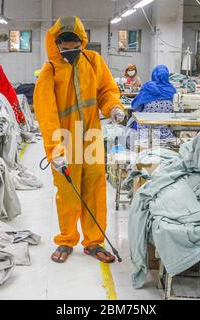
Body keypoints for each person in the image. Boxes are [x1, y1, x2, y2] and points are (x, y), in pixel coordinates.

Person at [34, 16, 125, 264]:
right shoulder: (49, 71)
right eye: (64, 46)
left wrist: (113, 107)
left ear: (82, 42)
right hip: (65, 139)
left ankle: (93, 241)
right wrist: (55, 150)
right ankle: (66, 239)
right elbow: (46, 114)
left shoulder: (93, 61)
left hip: (92, 137)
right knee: (68, 193)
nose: (69, 50)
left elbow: (106, 90)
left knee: (95, 190)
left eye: (74, 44)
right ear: (55, 44)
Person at [131, 65, 176, 140]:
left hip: (144, 133)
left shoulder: (148, 87)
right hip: (164, 134)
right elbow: (177, 111)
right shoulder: (172, 90)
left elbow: (137, 107)